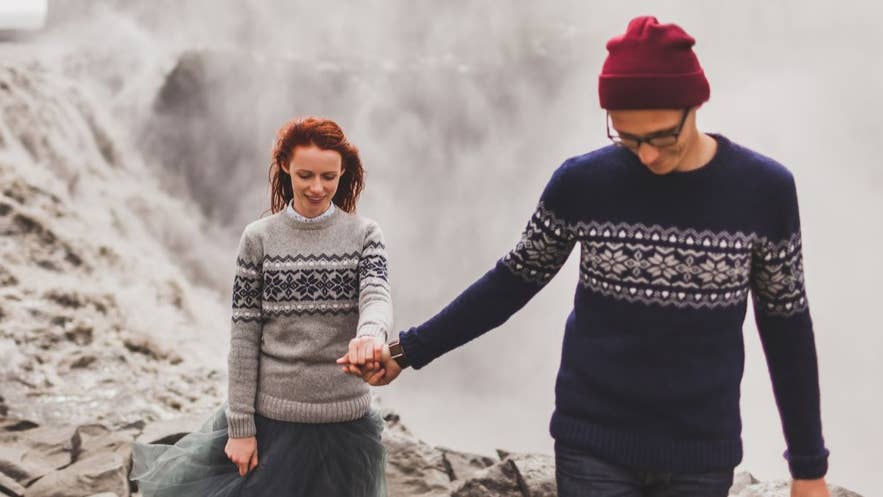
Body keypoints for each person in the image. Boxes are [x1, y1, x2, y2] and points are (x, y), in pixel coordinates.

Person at [339, 16, 830, 497]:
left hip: (700, 456)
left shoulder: (764, 192)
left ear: (694, 104)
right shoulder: (583, 183)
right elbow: (511, 282)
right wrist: (407, 352)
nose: (649, 157)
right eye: (628, 139)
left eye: (662, 137)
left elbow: (786, 326)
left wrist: (808, 469)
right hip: (594, 446)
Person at [131, 117, 393, 497]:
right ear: (284, 165)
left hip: (347, 427)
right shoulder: (259, 239)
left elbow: (376, 295)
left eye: (329, 177)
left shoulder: (365, 234)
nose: (317, 188)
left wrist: (371, 335)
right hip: (274, 427)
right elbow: (243, 337)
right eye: (305, 175)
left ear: (343, 173)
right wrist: (241, 428)